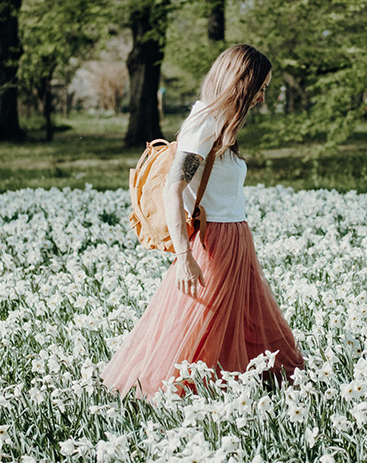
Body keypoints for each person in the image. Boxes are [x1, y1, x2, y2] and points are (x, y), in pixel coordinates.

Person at [102, 44, 304, 398]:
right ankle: (187, 394)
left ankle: (242, 387)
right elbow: (173, 189)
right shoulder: (205, 123)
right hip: (215, 242)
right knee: (204, 327)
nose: (261, 98)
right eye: (259, 88)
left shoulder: (220, 125)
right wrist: (184, 256)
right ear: (241, 83)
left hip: (235, 238)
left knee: (238, 321)